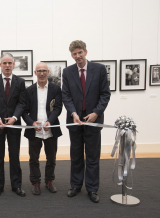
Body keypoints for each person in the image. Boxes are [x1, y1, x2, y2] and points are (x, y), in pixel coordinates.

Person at [62, 40, 111, 203]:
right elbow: (66, 96)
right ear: (71, 55)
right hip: (75, 120)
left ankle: (92, 188)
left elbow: (105, 94)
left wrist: (96, 113)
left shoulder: (99, 69)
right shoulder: (67, 72)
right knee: (75, 155)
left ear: (86, 52)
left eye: (80, 52)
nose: (78, 56)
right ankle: (75, 185)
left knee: (92, 155)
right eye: (74, 54)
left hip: (93, 120)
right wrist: (73, 113)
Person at [0, 52, 26, 198]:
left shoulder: (20, 82)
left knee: (14, 156)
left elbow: (22, 103)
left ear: (14, 64)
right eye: (5, 63)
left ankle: (16, 185)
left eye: (10, 63)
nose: (7, 66)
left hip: (14, 124)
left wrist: (14, 118)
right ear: (0, 65)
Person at [22, 62, 62, 195]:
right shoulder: (29, 90)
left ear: (48, 72)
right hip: (35, 131)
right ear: (35, 73)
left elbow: (58, 108)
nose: (42, 73)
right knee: (33, 159)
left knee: (51, 158)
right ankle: (35, 182)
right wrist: (31, 123)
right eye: (39, 71)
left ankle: (49, 181)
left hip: (51, 130)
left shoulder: (56, 89)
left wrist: (50, 121)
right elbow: (24, 111)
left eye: (44, 70)